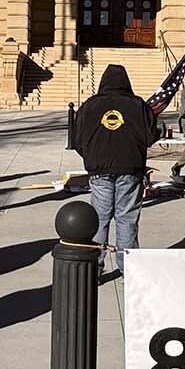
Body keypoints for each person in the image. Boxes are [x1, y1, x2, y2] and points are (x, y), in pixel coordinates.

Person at [72, 64, 161, 273]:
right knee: (127, 217)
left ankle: (94, 267)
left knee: (99, 218)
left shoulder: (90, 106)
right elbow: (150, 136)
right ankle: (128, 268)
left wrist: (92, 156)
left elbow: (77, 139)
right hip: (130, 168)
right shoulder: (138, 105)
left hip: (99, 169)